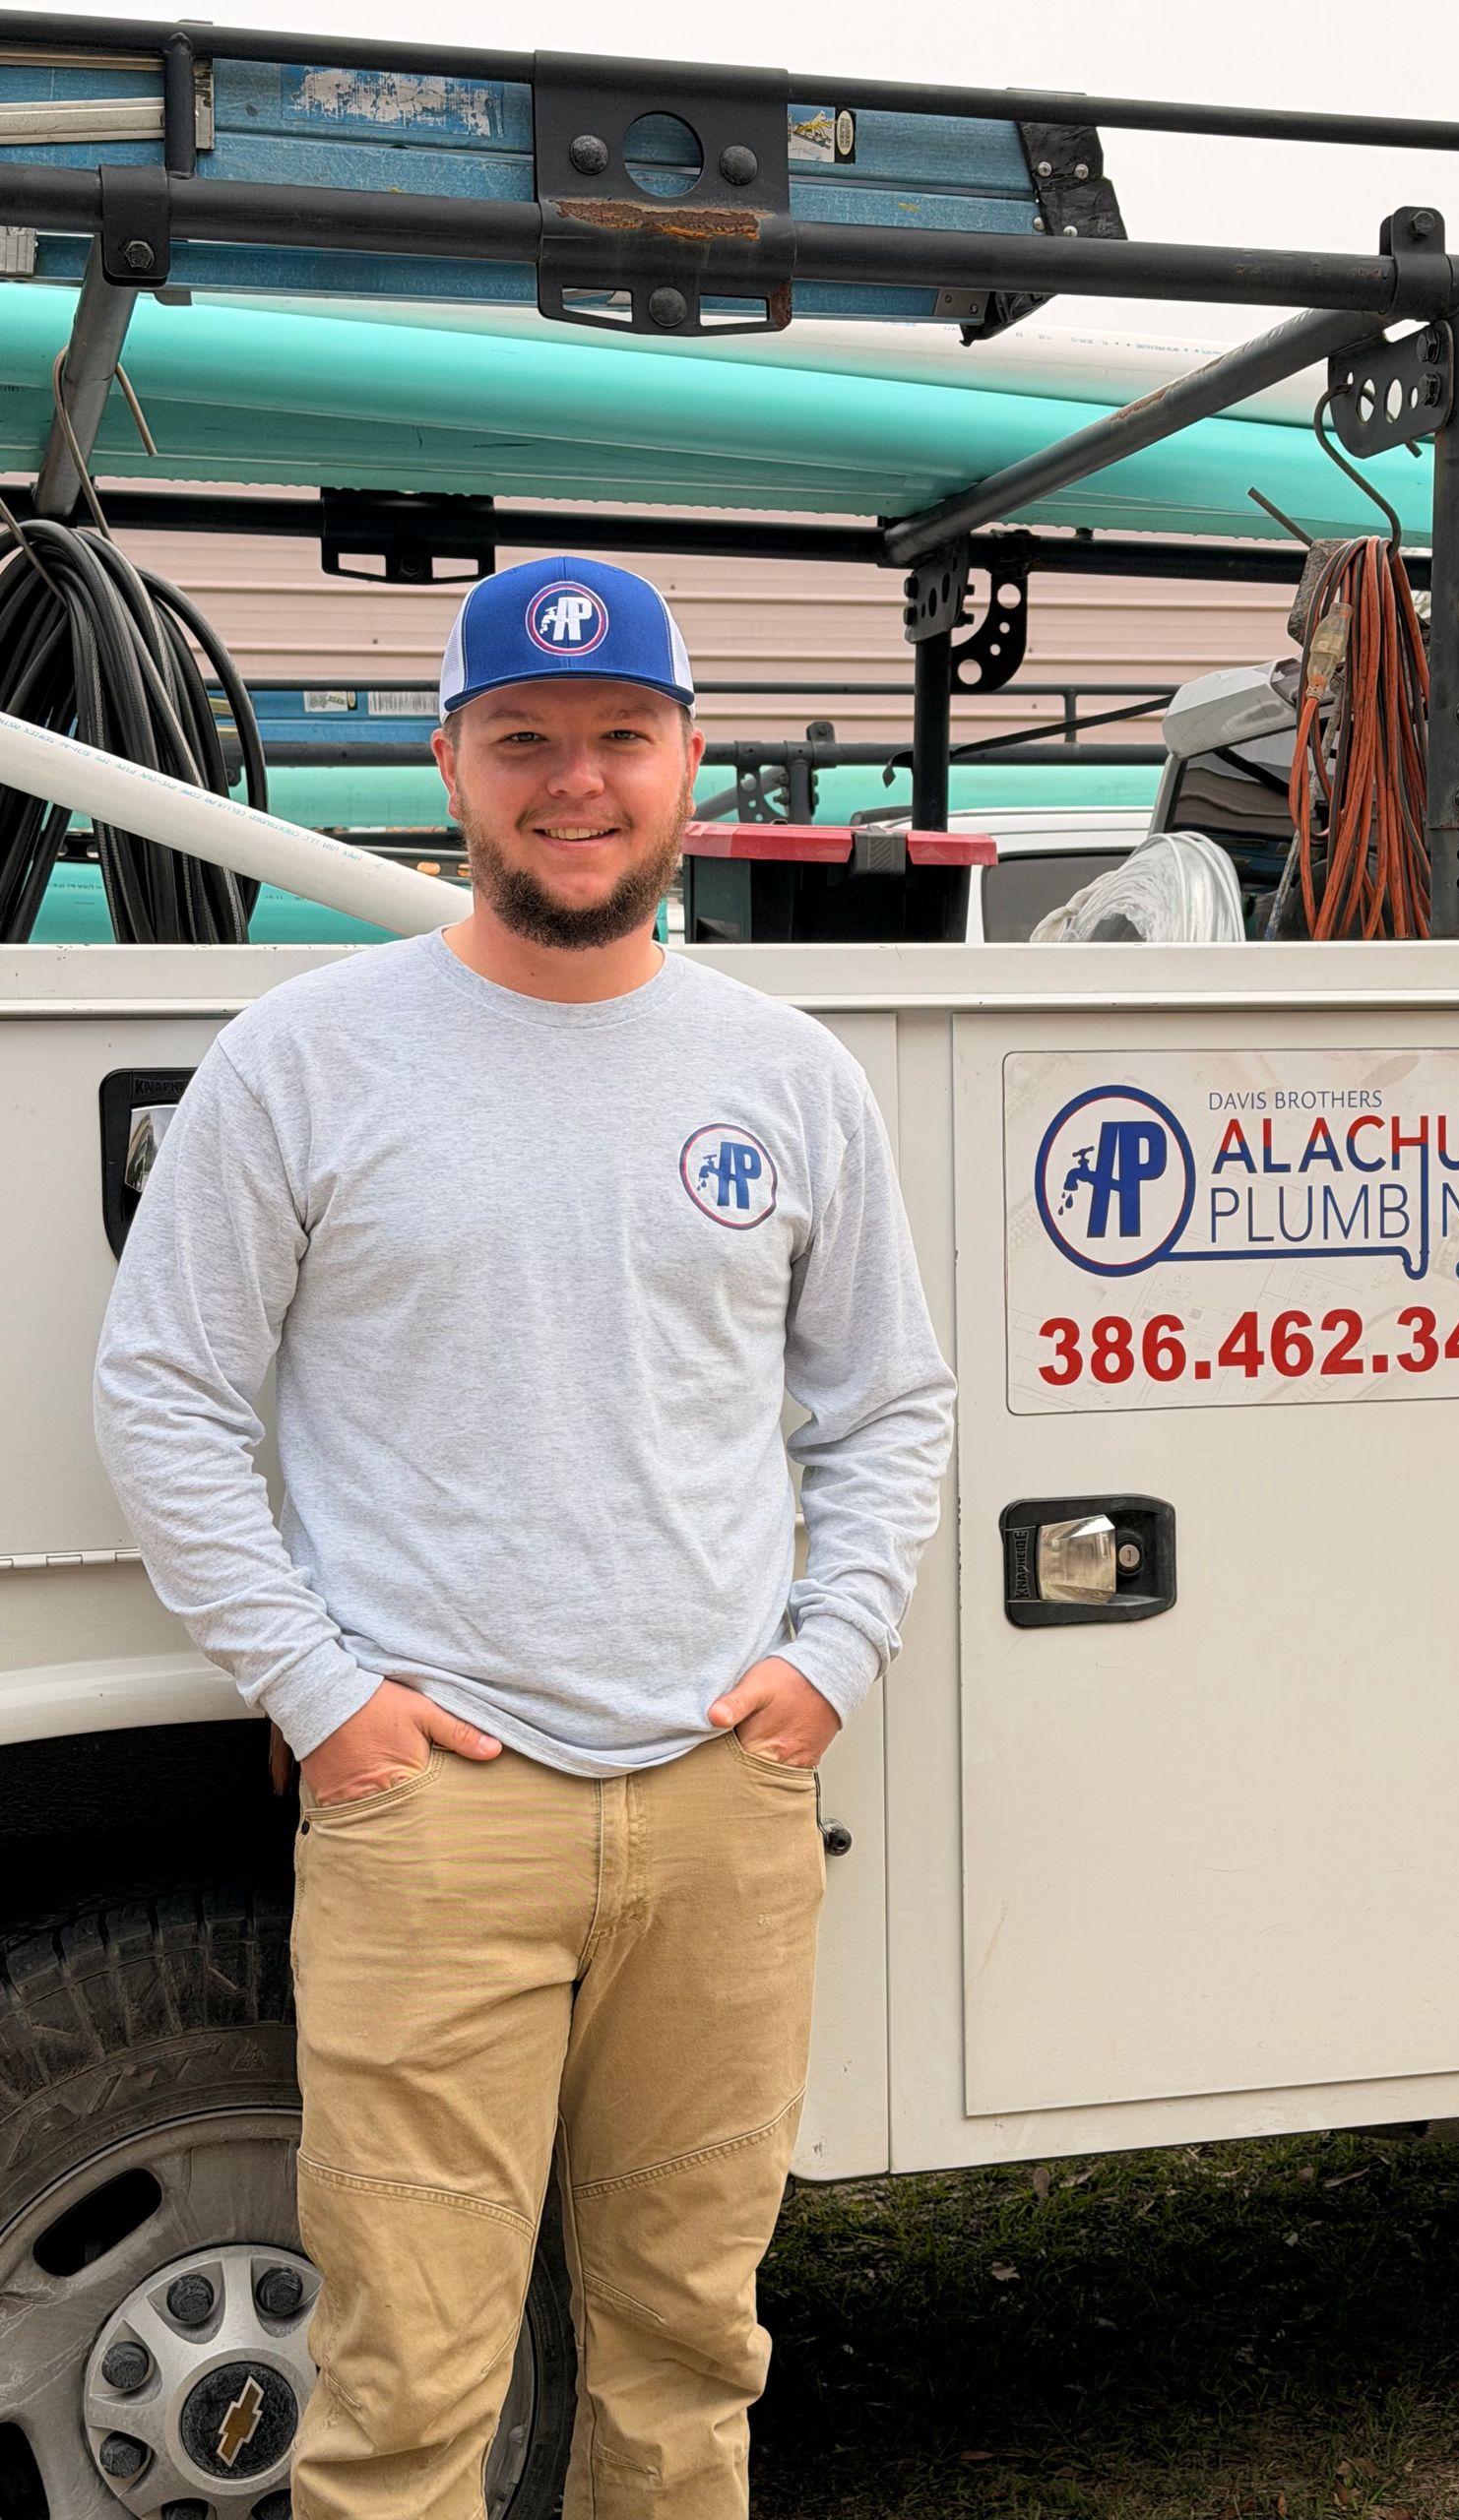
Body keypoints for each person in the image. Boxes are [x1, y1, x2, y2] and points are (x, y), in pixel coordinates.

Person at [93, 553, 956, 2520]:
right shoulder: (305, 1062)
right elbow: (164, 1391)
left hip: (724, 1802)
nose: (579, 781)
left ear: (688, 763)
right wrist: (327, 1698)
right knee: (404, 2380)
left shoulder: (787, 1074)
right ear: (453, 765)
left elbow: (887, 1402)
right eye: (529, 742)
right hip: (435, 1809)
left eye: (621, 740)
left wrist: (829, 1657)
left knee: (686, 2354)